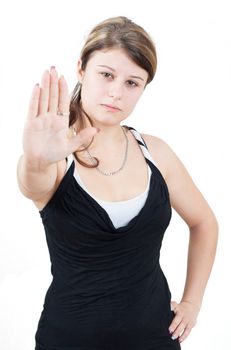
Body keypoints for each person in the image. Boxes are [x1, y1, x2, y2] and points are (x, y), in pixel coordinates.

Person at [17, 16, 218, 350]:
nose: (116, 93)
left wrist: (192, 303)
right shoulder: (54, 159)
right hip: (69, 341)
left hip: (154, 339)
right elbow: (31, 182)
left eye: (132, 83)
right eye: (106, 74)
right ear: (82, 69)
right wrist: (36, 160)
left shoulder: (156, 153)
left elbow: (204, 222)